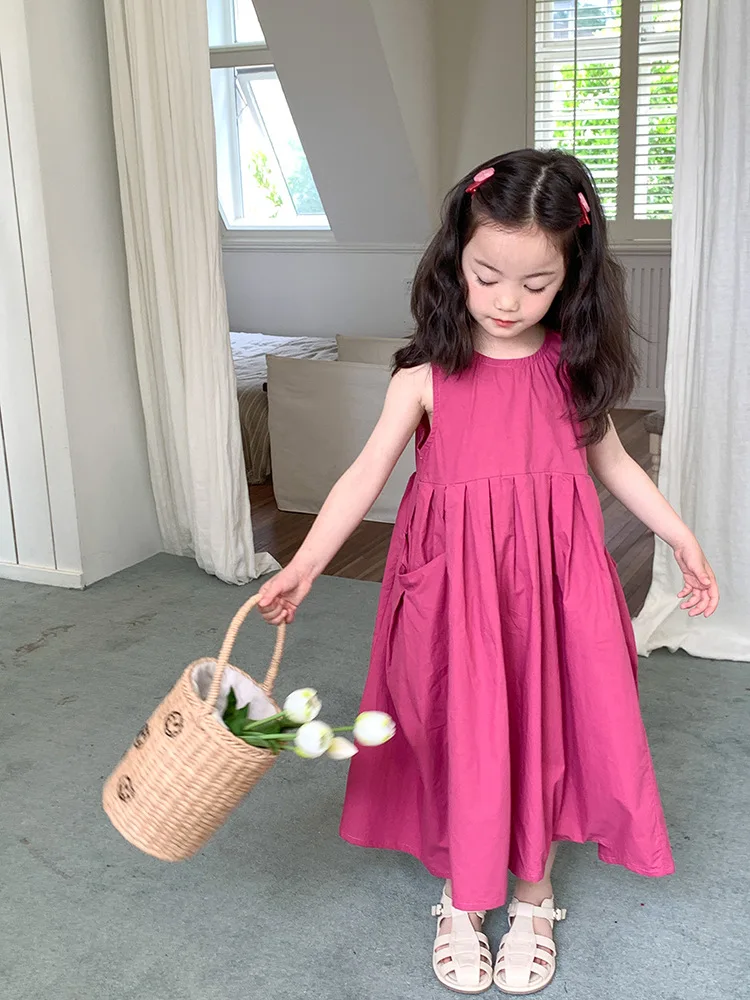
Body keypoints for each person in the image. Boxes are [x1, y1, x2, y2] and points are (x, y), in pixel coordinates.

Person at [258, 149, 719, 995]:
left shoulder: (571, 370)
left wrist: (680, 535)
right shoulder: (424, 376)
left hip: (552, 587)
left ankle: (534, 896)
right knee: (460, 726)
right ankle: (465, 893)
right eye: (487, 276)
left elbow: (614, 464)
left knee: (546, 722)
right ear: (454, 260)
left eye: (535, 284)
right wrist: (308, 564)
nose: (508, 301)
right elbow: (363, 475)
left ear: (572, 277)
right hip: (456, 588)